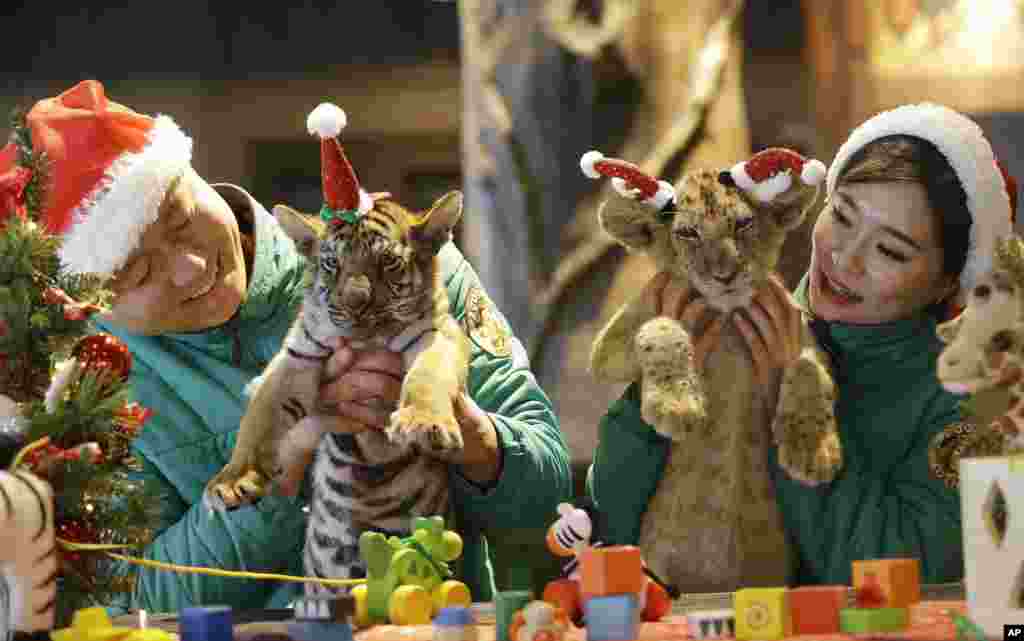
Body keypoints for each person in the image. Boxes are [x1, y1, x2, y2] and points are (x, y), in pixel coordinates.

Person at [1, 79, 572, 613]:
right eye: (136, 271)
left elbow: (548, 495)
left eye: (179, 217)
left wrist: (461, 426)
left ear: (194, 170)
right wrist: (282, 467)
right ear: (95, 296)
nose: (191, 267)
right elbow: (132, 597)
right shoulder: (95, 394)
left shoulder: (400, 260)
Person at [587, 103, 1018, 586]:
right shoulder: (719, 318)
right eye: (843, 214)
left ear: (948, 284)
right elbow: (615, 523)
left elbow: (907, 576)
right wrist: (657, 400)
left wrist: (787, 401)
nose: (844, 257)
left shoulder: (969, 407)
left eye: (890, 249)